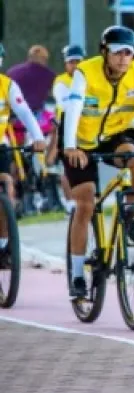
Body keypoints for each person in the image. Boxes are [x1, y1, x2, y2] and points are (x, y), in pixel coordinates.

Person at [61, 25, 134, 298]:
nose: (123, 58)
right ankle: (77, 275)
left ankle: (133, 214)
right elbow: (73, 108)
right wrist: (70, 146)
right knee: (85, 204)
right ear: (103, 52)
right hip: (81, 138)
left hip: (114, 133)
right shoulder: (85, 72)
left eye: (128, 53)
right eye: (117, 53)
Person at [0, 43, 47, 265]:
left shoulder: (7, 86)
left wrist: (38, 138)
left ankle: (3, 245)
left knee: (7, 182)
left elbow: (25, 113)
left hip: (0, 144)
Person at [48, 44, 87, 217]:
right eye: (72, 62)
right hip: (65, 126)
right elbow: (65, 104)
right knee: (67, 167)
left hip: (85, 127)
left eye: (79, 61)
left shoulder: (88, 78)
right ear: (66, 64)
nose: (76, 65)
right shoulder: (61, 81)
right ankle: (70, 203)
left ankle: (83, 199)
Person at [7, 45, 56, 114]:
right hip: (35, 114)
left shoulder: (12, 72)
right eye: (45, 59)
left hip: (13, 113)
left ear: (29, 57)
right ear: (43, 59)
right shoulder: (49, 75)